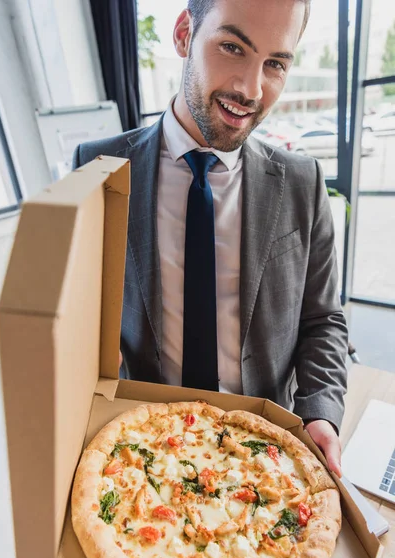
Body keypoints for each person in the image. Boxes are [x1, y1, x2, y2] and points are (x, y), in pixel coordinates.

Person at [73, 0, 348, 477]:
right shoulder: (98, 168)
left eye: (275, 64)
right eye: (231, 47)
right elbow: (77, 315)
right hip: (144, 448)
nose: (251, 88)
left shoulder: (303, 181)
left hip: (266, 454)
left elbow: (323, 319)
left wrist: (320, 409)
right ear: (184, 35)